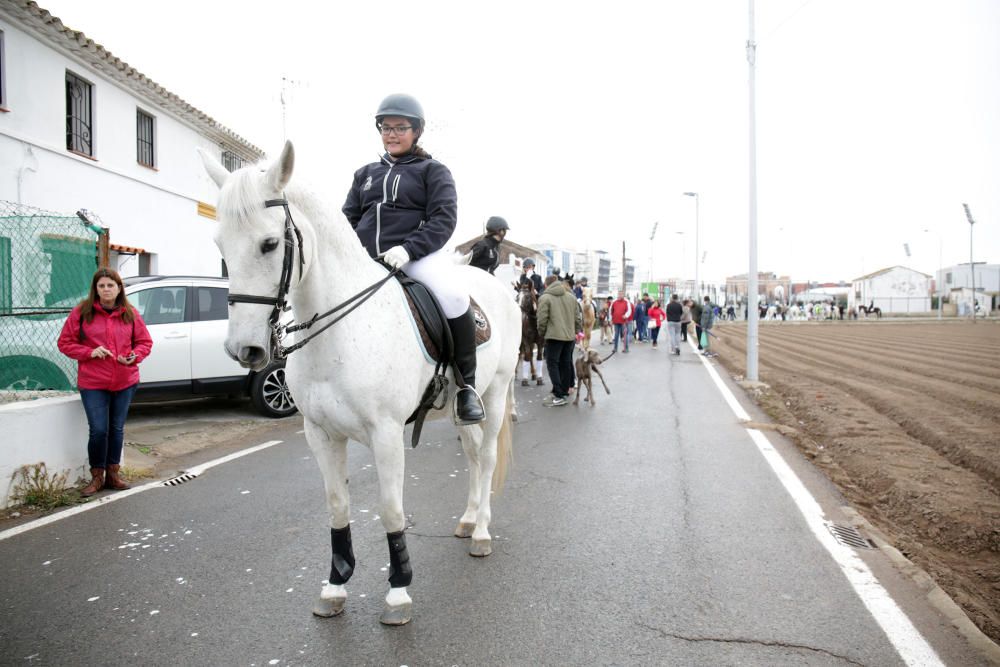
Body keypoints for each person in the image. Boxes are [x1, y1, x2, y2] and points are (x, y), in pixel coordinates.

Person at [343, 93, 484, 424]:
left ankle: (467, 388)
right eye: (385, 127)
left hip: (416, 256)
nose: (391, 134)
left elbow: (444, 219)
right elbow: (347, 220)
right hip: (366, 260)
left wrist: (408, 249)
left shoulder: (432, 171)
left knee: (452, 296)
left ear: (416, 131)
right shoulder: (364, 174)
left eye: (400, 127)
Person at [57, 268, 153, 496]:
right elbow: (65, 343)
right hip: (94, 382)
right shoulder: (82, 312)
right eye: (102, 286)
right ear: (95, 289)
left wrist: (133, 356)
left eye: (111, 285)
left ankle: (113, 474)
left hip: (125, 380)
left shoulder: (130, 313)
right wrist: (90, 352)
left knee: (116, 428)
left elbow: (144, 342)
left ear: (119, 288)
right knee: (99, 430)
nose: (106, 289)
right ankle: (96, 476)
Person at [536, 274, 581, 407]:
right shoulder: (571, 297)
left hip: (554, 336)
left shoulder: (545, 298)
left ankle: (558, 395)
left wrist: (542, 333)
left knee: (552, 363)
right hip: (569, 337)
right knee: (566, 363)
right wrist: (576, 331)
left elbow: (542, 320)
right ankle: (564, 391)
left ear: (546, 285)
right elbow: (578, 318)